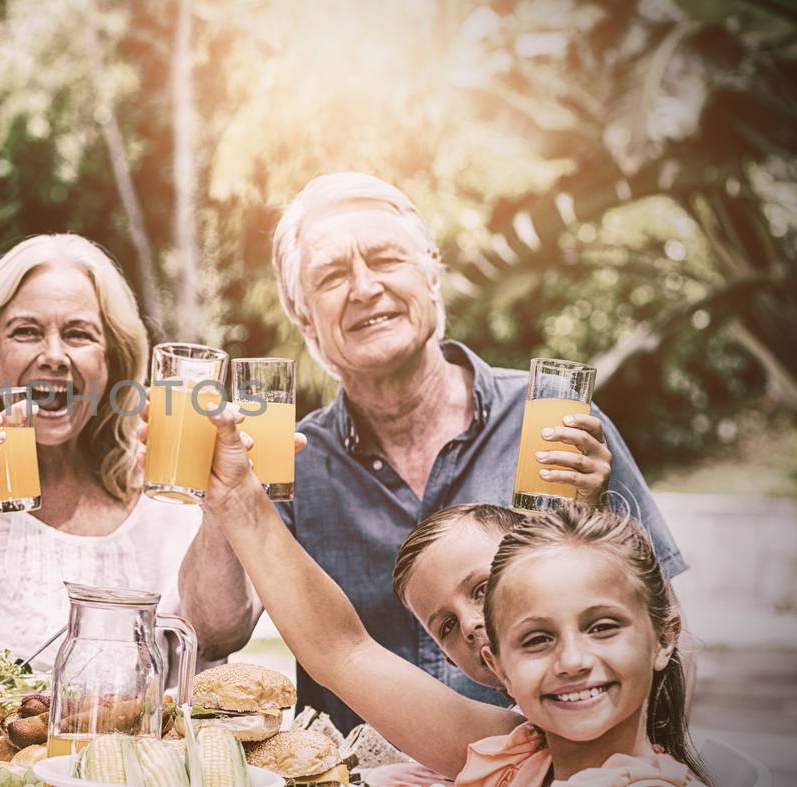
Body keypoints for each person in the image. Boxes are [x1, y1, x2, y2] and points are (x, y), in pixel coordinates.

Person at [179, 172, 689, 728]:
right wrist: (219, 501)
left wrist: (595, 519)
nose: (365, 288)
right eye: (330, 276)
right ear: (304, 318)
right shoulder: (287, 454)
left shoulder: (555, 424)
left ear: (433, 274)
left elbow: (661, 636)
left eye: (385, 259)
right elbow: (212, 633)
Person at [189, 407, 706, 783]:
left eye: (601, 627)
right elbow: (341, 650)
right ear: (496, 664)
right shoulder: (518, 753)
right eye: (536, 640)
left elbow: (344, 652)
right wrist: (237, 499)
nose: (571, 659)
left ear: (665, 637)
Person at [0, 234, 238, 694]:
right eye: (27, 331)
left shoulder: (163, 493)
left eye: (78, 334)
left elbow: (219, 638)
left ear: (111, 359)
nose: (54, 356)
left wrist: (223, 503)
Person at [393, 504, 524, 691]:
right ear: (450, 660)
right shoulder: (506, 720)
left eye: (483, 589)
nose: (468, 625)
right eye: (448, 626)